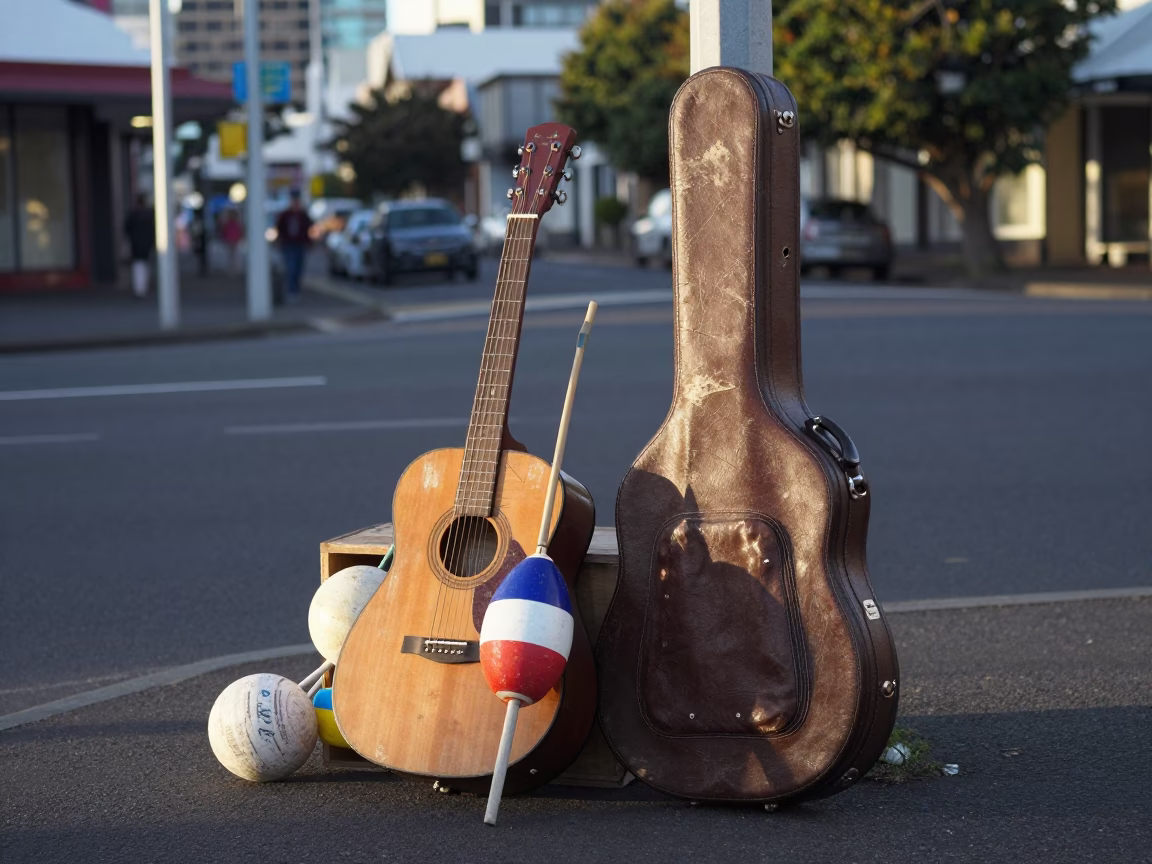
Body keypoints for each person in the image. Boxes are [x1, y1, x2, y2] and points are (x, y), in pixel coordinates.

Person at [275, 190, 313, 303]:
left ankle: (296, 290)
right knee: (291, 267)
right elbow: (279, 229)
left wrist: (309, 242)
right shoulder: (285, 215)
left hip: (300, 244)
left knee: (298, 268)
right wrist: (278, 241)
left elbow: (309, 229)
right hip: (288, 244)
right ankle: (291, 291)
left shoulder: (303, 215)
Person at [124, 194, 155, 298]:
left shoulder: (133, 214)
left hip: (136, 244)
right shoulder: (149, 214)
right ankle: (143, 287)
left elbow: (127, 229)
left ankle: (139, 288)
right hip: (146, 244)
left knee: (138, 266)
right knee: (145, 265)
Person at [218, 208, 244, 276]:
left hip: (233, 240)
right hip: (230, 240)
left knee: (233, 255)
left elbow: (239, 231)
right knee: (231, 255)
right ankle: (231, 269)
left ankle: (233, 269)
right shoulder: (230, 223)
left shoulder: (234, 223)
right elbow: (225, 231)